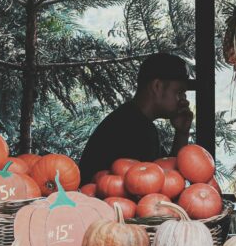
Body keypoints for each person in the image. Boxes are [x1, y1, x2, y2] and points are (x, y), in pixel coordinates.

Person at [79, 52, 196, 185]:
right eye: (179, 92)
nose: (184, 100)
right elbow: (155, 185)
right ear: (157, 86)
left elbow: (168, 172)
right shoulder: (133, 128)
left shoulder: (132, 119)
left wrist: (181, 132)